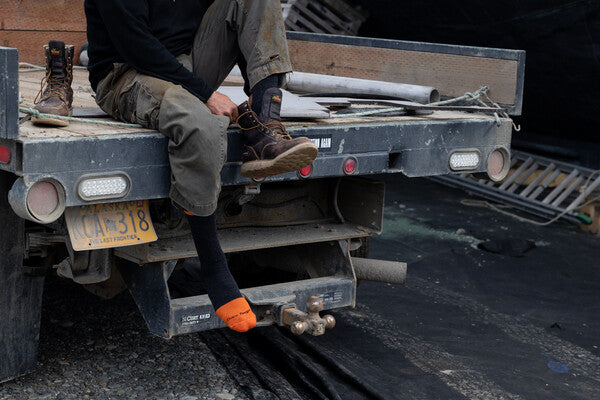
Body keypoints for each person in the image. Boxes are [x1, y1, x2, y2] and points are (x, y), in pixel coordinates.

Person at [83, 0, 318, 332]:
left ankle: (265, 132)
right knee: (202, 126)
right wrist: (206, 94)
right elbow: (136, 47)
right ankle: (213, 267)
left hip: (188, 60)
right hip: (127, 72)